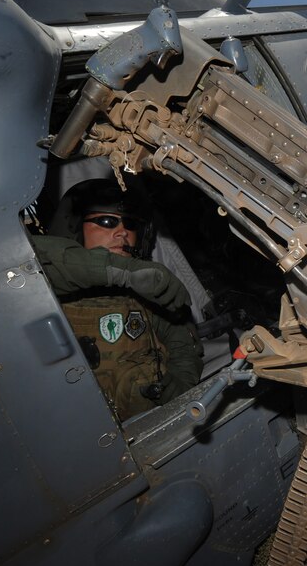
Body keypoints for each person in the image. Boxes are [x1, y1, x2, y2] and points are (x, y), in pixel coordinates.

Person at [32, 178, 203, 421]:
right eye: (106, 221)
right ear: (75, 226)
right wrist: (123, 272)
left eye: (130, 224)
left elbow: (184, 350)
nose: (122, 231)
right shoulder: (42, 281)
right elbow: (38, 260)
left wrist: (178, 392)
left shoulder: (149, 290)